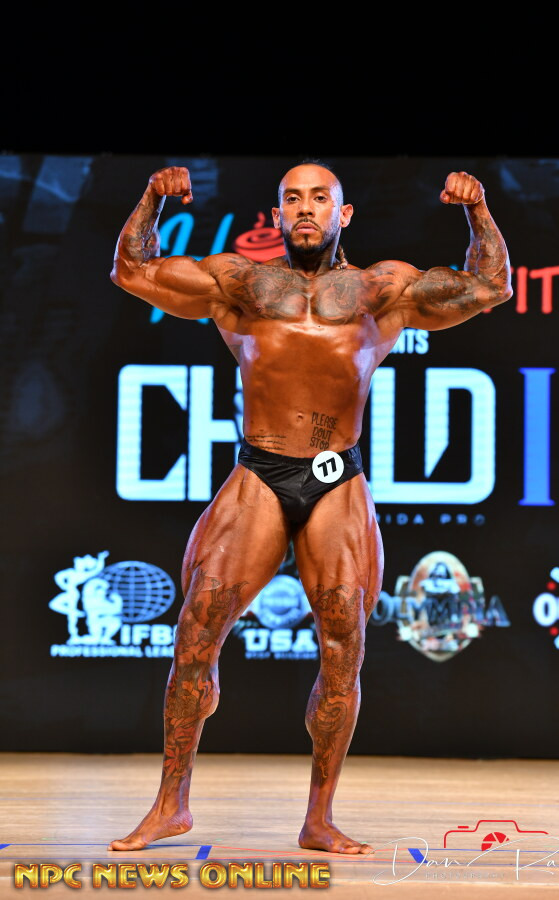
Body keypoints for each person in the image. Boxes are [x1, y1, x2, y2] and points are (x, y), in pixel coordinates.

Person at [106, 161, 512, 854]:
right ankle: (171, 805)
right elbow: (132, 271)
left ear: (342, 214)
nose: (305, 208)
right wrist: (150, 199)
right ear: (277, 213)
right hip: (261, 472)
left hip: (337, 478)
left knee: (343, 647)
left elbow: (490, 286)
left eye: (320, 198)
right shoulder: (240, 283)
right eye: (292, 198)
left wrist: (478, 211)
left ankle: (319, 818)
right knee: (195, 634)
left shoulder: (383, 288)